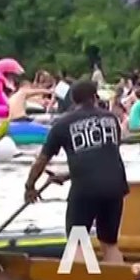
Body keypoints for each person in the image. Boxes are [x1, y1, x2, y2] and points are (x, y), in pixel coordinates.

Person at [25, 79, 129, 263]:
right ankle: (117, 279)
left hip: (86, 188)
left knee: (77, 241)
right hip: (115, 185)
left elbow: (42, 160)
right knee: (110, 243)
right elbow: (103, 156)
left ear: (73, 100)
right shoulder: (111, 119)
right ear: (95, 97)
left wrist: (30, 186)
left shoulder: (63, 124)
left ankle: (85, 279)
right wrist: (66, 176)